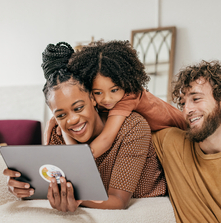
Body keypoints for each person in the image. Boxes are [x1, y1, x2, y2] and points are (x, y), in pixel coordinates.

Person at [4, 42, 167, 212]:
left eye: (78, 108)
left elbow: (118, 201)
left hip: (145, 214)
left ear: (92, 98)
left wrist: (74, 197)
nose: (72, 120)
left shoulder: (132, 127)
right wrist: (26, 188)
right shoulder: (58, 134)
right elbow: (52, 184)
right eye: (61, 115)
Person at [54, 40, 185, 158]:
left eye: (114, 90)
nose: (107, 99)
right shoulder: (109, 99)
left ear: (125, 83)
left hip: (184, 129)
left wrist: (73, 161)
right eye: (98, 92)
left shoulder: (129, 96)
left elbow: (106, 141)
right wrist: (58, 120)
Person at [152, 60, 221, 223]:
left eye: (196, 99)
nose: (187, 110)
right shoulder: (174, 144)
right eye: (182, 103)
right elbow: (135, 103)